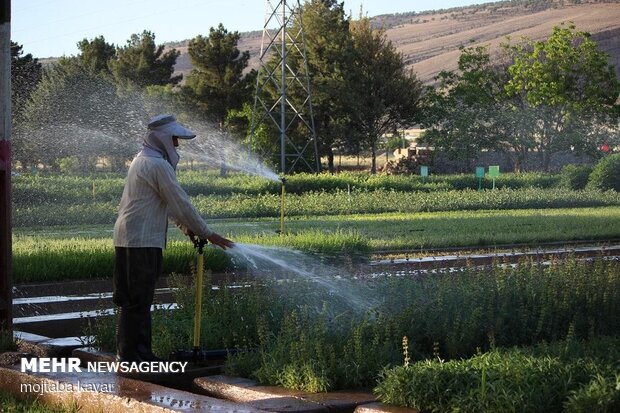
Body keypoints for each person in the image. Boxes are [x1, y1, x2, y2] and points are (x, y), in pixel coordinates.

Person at [112, 114, 234, 362]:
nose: (177, 145)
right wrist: (207, 233)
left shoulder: (141, 160)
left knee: (132, 300)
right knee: (139, 299)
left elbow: (165, 205)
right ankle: (138, 357)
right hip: (142, 242)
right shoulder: (158, 165)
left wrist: (186, 228)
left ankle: (129, 355)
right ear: (162, 139)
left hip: (128, 238)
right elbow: (180, 202)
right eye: (175, 139)